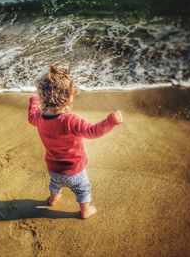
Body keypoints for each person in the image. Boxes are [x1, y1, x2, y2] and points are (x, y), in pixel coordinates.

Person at [28, 65, 123, 219]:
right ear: (69, 97)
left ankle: (53, 199)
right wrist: (110, 122)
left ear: (42, 96)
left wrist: (33, 102)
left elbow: (31, 116)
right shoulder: (70, 120)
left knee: (55, 184)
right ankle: (85, 211)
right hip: (75, 170)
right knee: (83, 189)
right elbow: (93, 132)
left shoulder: (39, 118)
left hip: (53, 168)